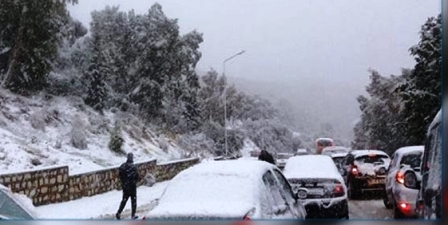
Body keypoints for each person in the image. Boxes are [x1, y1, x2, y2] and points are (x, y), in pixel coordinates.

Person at [116, 153, 140, 220]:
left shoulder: (122, 166)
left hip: (125, 186)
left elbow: (120, 175)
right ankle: (133, 215)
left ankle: (118, 213)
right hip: (132, 187)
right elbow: (137, 177)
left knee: (124, 200)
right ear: (132, 158)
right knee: (133, 201)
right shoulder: (134, 167)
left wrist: (124, 182)